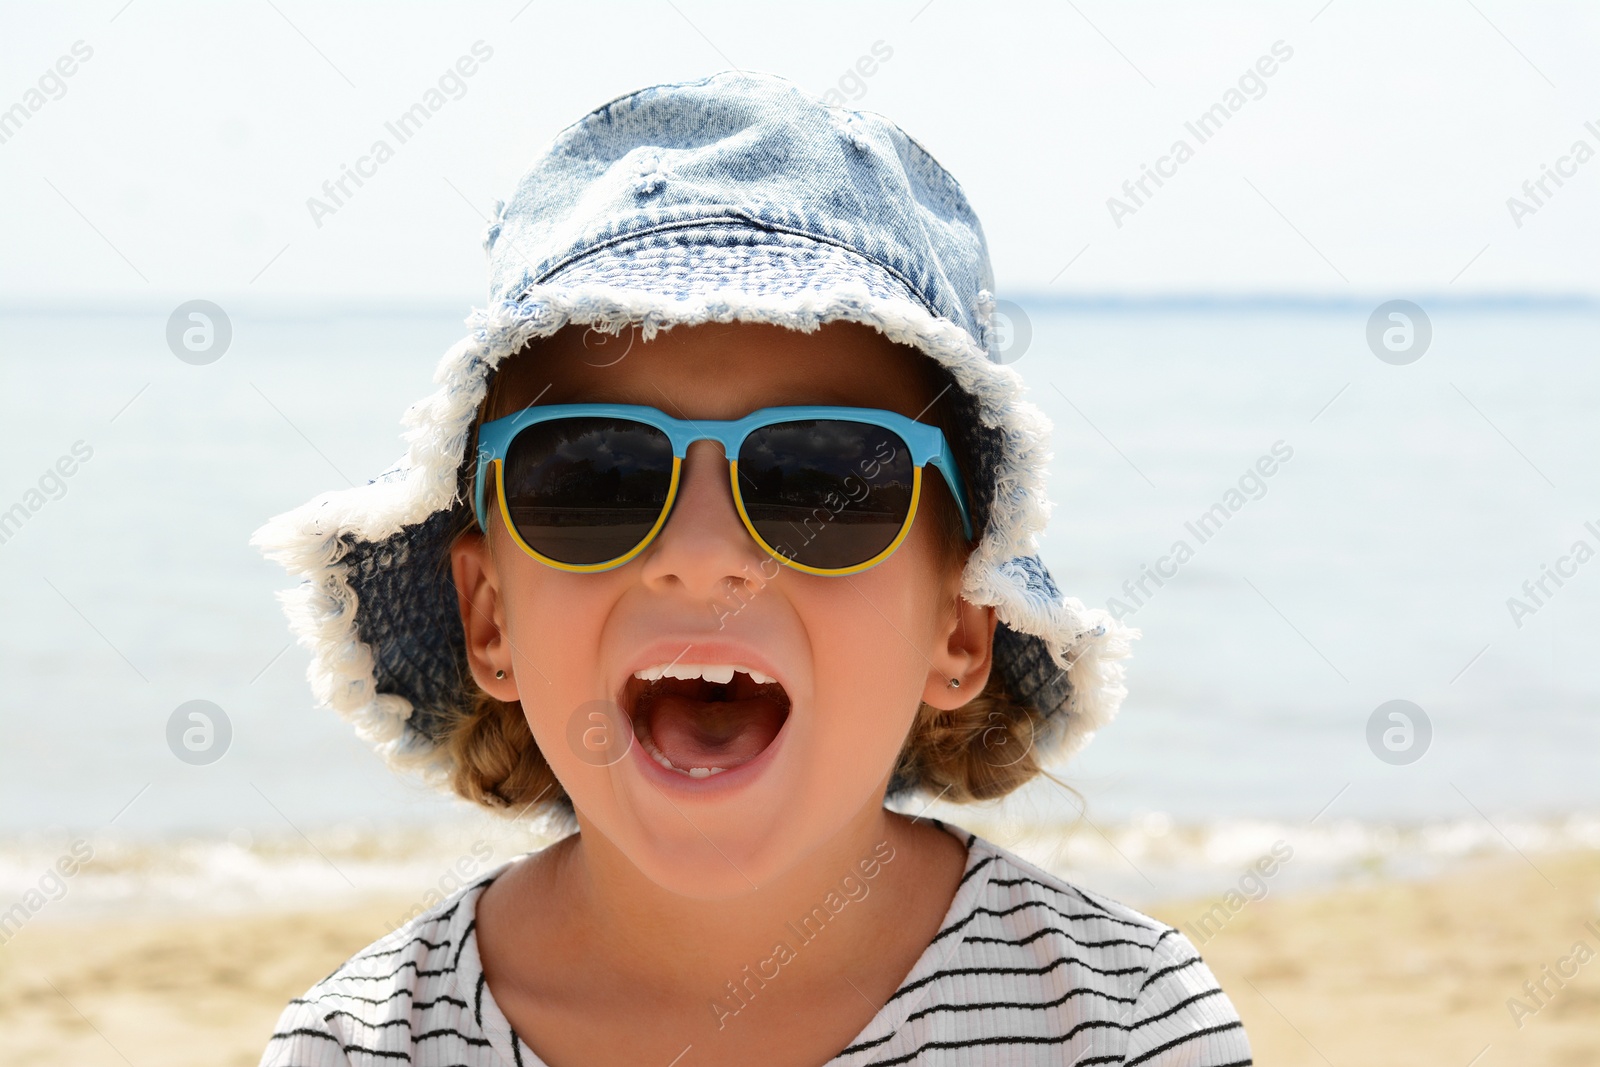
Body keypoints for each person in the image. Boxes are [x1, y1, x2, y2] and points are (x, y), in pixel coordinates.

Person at [252, 70, 1252, 1067]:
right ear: (490, 618)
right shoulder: (364, 1045)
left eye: (820, 474)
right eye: (594, 472)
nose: (700, 556)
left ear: (959, 623)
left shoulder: (1118, 1019)